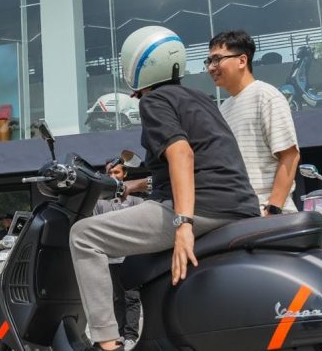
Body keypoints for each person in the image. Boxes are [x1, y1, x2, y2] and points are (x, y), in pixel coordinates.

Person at [69, 26, 261, 351]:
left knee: (84, 235)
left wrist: (183, 224)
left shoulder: (155, 100)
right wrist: (135, 185)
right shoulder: (200, 98)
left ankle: (106, 343)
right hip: (238, 204)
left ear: (137, 64)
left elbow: (182, 154)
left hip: (202, 208)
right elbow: (200, 161)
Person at [207, 30, 300, 216]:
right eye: (208, 61)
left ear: (242, 61)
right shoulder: (224, 107)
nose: (210, 67)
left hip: (267, 215)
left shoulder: (266, 96)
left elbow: (290, 155)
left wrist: (273, 209)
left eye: (217, 59)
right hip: (239, 213)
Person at [94, 161, 145, 350]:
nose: (113, 175)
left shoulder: (137, 202)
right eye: (109, 173)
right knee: (116, 298)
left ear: (124, 174)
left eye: (116, 172)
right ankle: (120, 335)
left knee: (132, 297)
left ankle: (131, 335)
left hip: (132, 258)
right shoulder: (100, 203)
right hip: (111, 258)